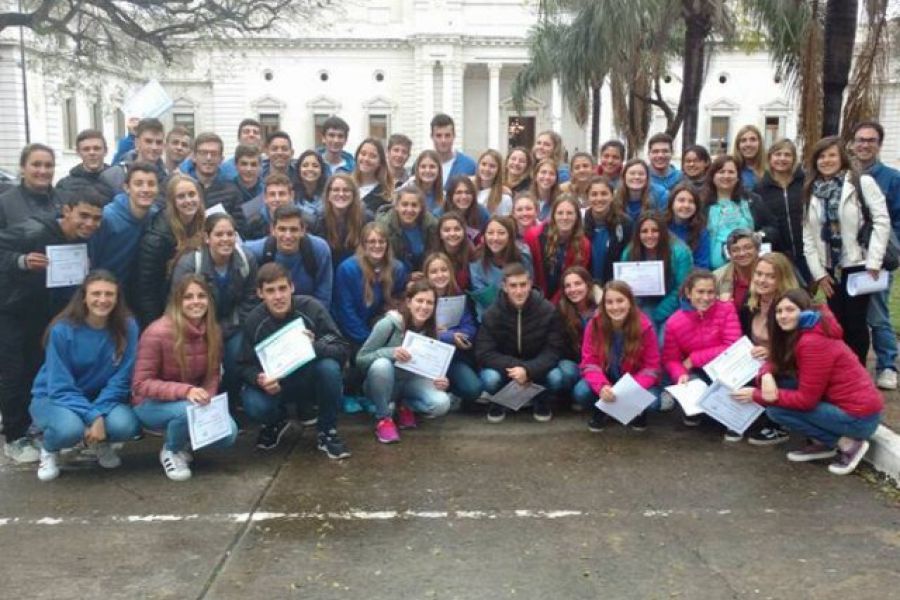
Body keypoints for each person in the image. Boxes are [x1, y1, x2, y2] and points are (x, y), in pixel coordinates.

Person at [733, 288, 883, 476]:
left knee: (776, 410)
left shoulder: (812, 342)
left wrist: (758, 395)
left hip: (859, 418)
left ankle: (847, 444)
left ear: (804, 310)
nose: (783, 316)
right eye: (779, 311)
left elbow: (806, 401)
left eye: (790, 310)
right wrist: (766, 374)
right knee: (783, 383)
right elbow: (779, 361)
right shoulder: (807, 331)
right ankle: (824, 443)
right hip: (848, 407)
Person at [0, 193, 104, 462]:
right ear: (67, 210)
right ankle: (14, 436)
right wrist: (20, 261)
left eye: (96, 218)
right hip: (11, 309)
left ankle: (34, 427)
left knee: (39, 370)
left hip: (44, 314)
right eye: (84, 215)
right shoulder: (34, 230)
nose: (90, 223)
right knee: (14, 371)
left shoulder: (83, 241)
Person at [29, 271, 142, 481]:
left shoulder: (128, 327)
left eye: (109, 294)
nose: (102, 300)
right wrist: (94, 416)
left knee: (127, 426)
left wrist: (97, 410)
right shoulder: (62, 330)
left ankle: (99, 442)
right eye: (96, 293)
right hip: (55, 397)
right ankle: (49, 447)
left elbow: (122, 378)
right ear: (84, 297)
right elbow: (60, 385)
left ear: (117, 298)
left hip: (99, 397)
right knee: (69, 429)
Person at [239, 263, 351, 458]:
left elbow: (342, 348)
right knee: (253, 403)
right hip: (277, 384)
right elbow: (243, 365)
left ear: (292, 287)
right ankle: (276, 421)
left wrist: (314, 346)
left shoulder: (311, 308)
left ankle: (327, 431)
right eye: (270, 291)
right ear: (260, 293)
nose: (278, 296)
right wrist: (259, 378)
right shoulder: (254, 321)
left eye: (282, 288)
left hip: (308, 379)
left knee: (330, 368)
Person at [132, 275, 238, 481]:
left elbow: (213, 373)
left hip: (191, 402)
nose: (196, 302)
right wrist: (186, 391)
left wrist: (208, 396)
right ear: (177, 302)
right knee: (188, 411)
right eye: (188, 297)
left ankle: (183, 438)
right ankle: (171, 450)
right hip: (150, 404)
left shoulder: (213, 331)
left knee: (228, 434)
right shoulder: (157, 332)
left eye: (201, 296)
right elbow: (141, 384)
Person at [802, 135, 889, 366]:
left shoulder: (862, 182)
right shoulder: (811, 188)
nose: (826, 160)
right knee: (836, 322)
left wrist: (874, 261)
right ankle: (841, 369)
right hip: (829, 270)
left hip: (858, 266)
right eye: (821, 156)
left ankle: (857, 370)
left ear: (842, 157)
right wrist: (819, 273)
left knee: (856, 323)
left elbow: (881, 220)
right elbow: (808, 235)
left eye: (831, 155)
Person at [172, 213, 258, 405]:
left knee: (236, 357)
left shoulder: (246, 260)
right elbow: (177, 303)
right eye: (219, 234)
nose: (225, 239)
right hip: (195, 326)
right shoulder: (190, 264)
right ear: (207, 237)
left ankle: (231, 401)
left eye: (230, 234)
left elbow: (250, 301)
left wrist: (224, 329)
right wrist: (205, 329)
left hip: (233, 324)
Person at [357, 280, 453, 443]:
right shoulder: (389, 324)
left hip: (410, 383)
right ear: (409, 302)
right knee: (381, 365)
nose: (424, 307)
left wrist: (441, 380)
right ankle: (384, 418)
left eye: (429, 302)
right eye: (420, 301)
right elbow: (361, 359)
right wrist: (390, 352)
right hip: (384, 382)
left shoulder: (432, 331)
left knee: (442, 403)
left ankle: (405, 406)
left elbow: (432, 369)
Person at [476, 263, 565, 423]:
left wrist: (528, 370)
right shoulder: (492, 313)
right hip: (505, 371)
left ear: (530, 284)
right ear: (504, 287)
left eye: (523, 285)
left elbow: (554, 350)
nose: (519, 291)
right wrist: (517, 368)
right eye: (513, 286)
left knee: (557, 377)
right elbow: (484, 352)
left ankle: (541, 399)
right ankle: (499, 400)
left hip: (537, 371)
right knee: (489, 379)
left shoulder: (547, 310)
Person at [851, 121, 900, 390]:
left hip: (879, 257)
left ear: (879, 144)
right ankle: (854, 367)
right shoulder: (847, 176)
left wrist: (889, 249)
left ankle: (888, 365)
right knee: (852, 315)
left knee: (878, 312)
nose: (865, 145)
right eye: (860, 140)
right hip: (852, 257)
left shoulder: (892, 178)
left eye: (870, 140)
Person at [662, 269, 741, 427]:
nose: (706, 297)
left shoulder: (726, 309)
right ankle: (697, 412)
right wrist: (680, 374)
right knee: (689, 383)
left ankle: (731, 418)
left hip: (726, 368)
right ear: (688, 292)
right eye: (700, 292)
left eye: (711, 292)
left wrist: (693, 358)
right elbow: (671, 359)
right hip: (699, 372)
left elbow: (733, 346)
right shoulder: (674, 322)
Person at [580, 280, 661, 431]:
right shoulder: (594, 325)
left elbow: (652, 368)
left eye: (620, 301)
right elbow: (589, 363)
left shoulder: (645, 326)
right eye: (609, 302)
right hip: (607, 378)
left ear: (630, 302)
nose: (615, 307)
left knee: (653, 403)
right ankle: (605, 409)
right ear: (603, 305)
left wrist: (629, 390)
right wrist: (602, 387)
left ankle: (634, 411)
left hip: (633, 381)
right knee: (581, 392)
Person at [736, 252, 800, 445]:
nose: (762, 280)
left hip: (785, 367)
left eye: (771, 276)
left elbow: (800, 347)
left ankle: (778, 425)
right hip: (755, 364)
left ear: (782, 279)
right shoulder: (750, 301)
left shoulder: (790, 305)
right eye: (759, 274)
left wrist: (773, 352)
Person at [133, 174, 205, 328]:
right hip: (165, 312)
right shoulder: (156, 239)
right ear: (172, 202)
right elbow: (146, 293)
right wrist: (157, 327)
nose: (188, 200)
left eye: (192, 194)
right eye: (181, 196)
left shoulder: (204, 225)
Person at [421, 253, 483, 408]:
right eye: (434, 272)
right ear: (426, 275)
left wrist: (453, 336)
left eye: (444, 270)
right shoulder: (421, 297)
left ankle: (452, 392)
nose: (440, 275)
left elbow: (470, 328)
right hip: (426, 358)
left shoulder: (458, 295)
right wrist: (448, 335)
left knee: (474, 389)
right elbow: (421, 332)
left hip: (454, 358)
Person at [332, 222, 408, 346]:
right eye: (371, 242)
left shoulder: (397, 268)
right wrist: (369, 341)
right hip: (353, 334)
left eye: (381, 241)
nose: (377, 245)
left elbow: (396, 303)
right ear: (363, 245)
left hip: (381, 331)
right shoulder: (347, 269)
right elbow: (346, 311)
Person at [88, 162, 160, 294]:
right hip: (104, 291)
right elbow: (91, 259)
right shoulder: (107, 218)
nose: (145, 189)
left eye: (151, 184)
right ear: (127, 188)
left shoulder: (157, 217)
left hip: (136, 292)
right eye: (138, 184)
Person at [244, 205, 333, 307]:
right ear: (273, 230)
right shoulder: (257, 251)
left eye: (293, 229)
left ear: (303, 230)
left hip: (309, 312)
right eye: (282, 229)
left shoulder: (319, 250)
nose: (288, 236)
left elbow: (323, 297)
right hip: (270, 313)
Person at [704, 154, 779, 269]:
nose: (726, 176)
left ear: (738, 176)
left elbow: (773, 228)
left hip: (751, 267)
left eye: (731, 172)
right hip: (714, 271)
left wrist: (759, 235)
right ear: (712, 176)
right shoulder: (702, 203)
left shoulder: (752, 200)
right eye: (721, 172)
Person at [621, 212, 693, 330]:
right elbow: (625, 288)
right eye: (644, 231)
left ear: (663, 232)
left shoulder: (680, 252)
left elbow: (682, 287)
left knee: (662, 339)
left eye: (655, 230)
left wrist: (658, 313)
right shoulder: (629, 252)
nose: (650, 235)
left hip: (674, 303)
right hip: (642, 304)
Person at [755, 139, 809, 283]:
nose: (782, 159)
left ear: (794, 159)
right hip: (777, 253)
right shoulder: (759, 189)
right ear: (770, 157)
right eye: (778, 154)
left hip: (807, 251)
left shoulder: (805, 183)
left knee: (809, 293)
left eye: (787, 155)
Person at [524, 195, 591, 302]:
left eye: (569, 213)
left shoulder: (584, 244)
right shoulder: (533, 236)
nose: (565, 217)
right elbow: (527, 273)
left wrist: (553, 305)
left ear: (577, 217)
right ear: (553, 215)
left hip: (565, 301)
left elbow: (576, 279)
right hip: (534, 299)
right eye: (560, 213)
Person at [552, 267, 599, 411]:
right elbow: (559, 347)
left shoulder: (602, 307)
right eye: (568, 286)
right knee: (564, 369)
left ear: (588, 284)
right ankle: (572, 396)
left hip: (600, 366)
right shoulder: (561, 311)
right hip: (577, 364)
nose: (573, 289)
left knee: (582, 392)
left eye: (578, 283)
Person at [469, 216, 533, 319]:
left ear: (510, 236)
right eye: (490, 233)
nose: (495, 238)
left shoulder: (523, 257)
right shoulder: (476, 262)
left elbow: (529, 288)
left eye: (501, 233)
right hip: (490, 319)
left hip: (520, 315)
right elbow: (483, 298)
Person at [179, 133, 244, 230]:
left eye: (214, 154)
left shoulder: (232, 192)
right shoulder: (180, 187)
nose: (208, 158)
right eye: (203, 153)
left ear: (221, 159)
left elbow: (240, 228)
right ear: (193, 157)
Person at [309, 173, 372, 269]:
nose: (341, 194)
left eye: (346, 190)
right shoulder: (317, 220)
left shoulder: (367, 218)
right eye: (335, 190)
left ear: (354, 194)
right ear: (328, 194)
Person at [100, 118, 168, 202]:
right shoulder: (114, 176)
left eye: (159, 142)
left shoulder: (168, 179)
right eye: (148, 141)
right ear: (137, 143)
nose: (154, 147)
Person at [377, 185, 438, 273]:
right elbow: (382, 261)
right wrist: (408, 277)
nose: (409, 210)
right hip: (395, 275)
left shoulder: (431, 225)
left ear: (421, 208)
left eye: (414, 205)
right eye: (405, 205)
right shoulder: (384, 227)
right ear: (396, 206)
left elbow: (434, 254)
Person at [0, 143, 61, 229]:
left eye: (48, 166)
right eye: (36, 165)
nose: (43, 171)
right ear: (22, 168)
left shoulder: (66, 201)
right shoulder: (4, 204)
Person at [584, 176, 632, 284]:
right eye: (594, 194)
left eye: (604, 194)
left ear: (612, 196)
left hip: (615, 286)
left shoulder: (625, 224)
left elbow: (629, 258)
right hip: (586, 287)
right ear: (588, 197)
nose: (599, 199)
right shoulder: (580, 223)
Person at [55, 129, 117, 205]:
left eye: (96, 148)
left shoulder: (117, 182)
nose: (92, 153)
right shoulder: (65, 186)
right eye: (86, 149)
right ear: (78, 152)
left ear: (105, 151)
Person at [665, 184, 711, 269]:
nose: (686, 205)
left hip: (690, 278)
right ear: (671, 203)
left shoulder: (701, 232)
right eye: (681, 200)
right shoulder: (661, 226)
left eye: (691, 201)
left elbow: (702, 265)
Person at [714, 228, 761, 311]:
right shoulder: (717, 277)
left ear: (758, 249)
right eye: (735, 250)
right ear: (729, 253)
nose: (742, 253)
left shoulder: (771, 272)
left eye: (748, 247)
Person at [242, 172, 295, 242]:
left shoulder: (305, 221)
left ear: (291, 196)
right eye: (272, 194)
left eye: (282, 194)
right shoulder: (252, 224)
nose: (277, 199)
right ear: (265, 198)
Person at [430, 212, 475, 291]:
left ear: (464, 232)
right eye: (447, 230)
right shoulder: (432, 255)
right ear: (440, 234)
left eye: (457, 229)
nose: (452, 233)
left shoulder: (472, 253)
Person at [439, 175, 490, 244]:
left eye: (467, 192)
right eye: (458, 192)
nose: (464, 197)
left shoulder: (482, 213)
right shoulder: (439, 214)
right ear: (450, 195)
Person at [430, 113, 476, 187]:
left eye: (447, 135)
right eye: (438, 136)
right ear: (432, 136)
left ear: (454, 136)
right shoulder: (422, 166)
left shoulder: (469, 166)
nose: (443, 140)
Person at [354, 138, 394, 215]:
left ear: (380, 162)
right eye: (363, 154)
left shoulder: (385, 197)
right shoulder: (346, 186)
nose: (366, 159)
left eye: (372, 156)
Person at [473, 149, 513, 216]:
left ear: (499, 170)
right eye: (483, 164)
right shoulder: (468, 191)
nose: (487, 169)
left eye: (492, 166)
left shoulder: (504, 198)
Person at [295, 150, 327, 222]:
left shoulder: (328, 195)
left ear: (322, 170)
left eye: (315, 166)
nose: (310, 169)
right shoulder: (291, 195)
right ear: (298, 169)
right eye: (305, 165)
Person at [732, 125, 766, 191]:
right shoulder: (731, 170)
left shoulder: (770, 169)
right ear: (738, 145)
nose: (748, 144)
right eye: (743, 140)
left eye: (753, 140)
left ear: (760, 143)